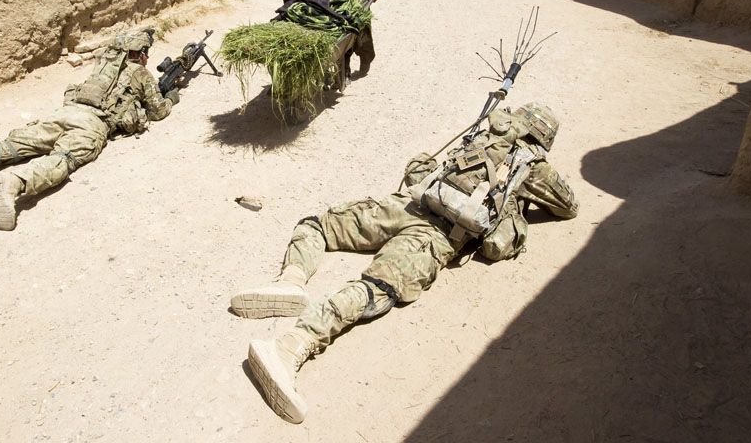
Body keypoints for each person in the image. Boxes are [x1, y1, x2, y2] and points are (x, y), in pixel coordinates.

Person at [229, 102, 579, 423]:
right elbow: (568, 207)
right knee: (376, 290)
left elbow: (419, 169)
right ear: (546, 138)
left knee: (319, 226)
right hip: (438, 237)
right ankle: (288, 347)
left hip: (407, 205)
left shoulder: (485, 133)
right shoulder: (534, 167)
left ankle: (290, 280)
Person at [0, 28, 180, 231]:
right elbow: (156, 112)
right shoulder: (139, 72)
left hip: (63, 114)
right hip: (92, 124)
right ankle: (14, 183)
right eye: (145, 53)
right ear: (140, 53)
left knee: (5, 147)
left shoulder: (102, 68)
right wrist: (171, 96)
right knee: (62, 158)